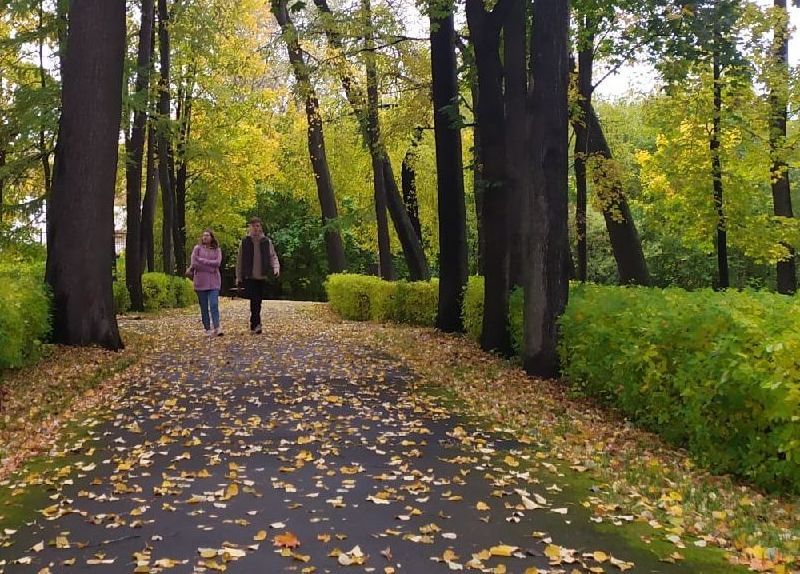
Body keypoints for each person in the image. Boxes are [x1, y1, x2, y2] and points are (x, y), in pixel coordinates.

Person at [236, 216, 280, 334]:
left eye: (258, 226)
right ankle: (256, 324)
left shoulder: (266, 241)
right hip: (249, 276)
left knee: (258, 300)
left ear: (260, 227)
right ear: (249, 227)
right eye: (253, 226)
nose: (256, 228)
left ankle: (254, 323)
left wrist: (276, 268)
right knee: (254, 299)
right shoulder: (245, 242)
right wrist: (238, 277)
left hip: (262, 275)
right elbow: (239, 260)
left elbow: (273, 256)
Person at [190, 229, 223, 336]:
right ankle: (207, 328)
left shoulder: (217, 250)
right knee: (203, 306)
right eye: (204, 235)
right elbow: (194, 264)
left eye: (207, 235)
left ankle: (217, 327)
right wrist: (210, 266)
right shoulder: (197, 249)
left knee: (214, 304)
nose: (205, 237)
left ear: (212, 237)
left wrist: (202, 261)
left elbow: (217, 263)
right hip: (200, 282)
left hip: (214, 282)